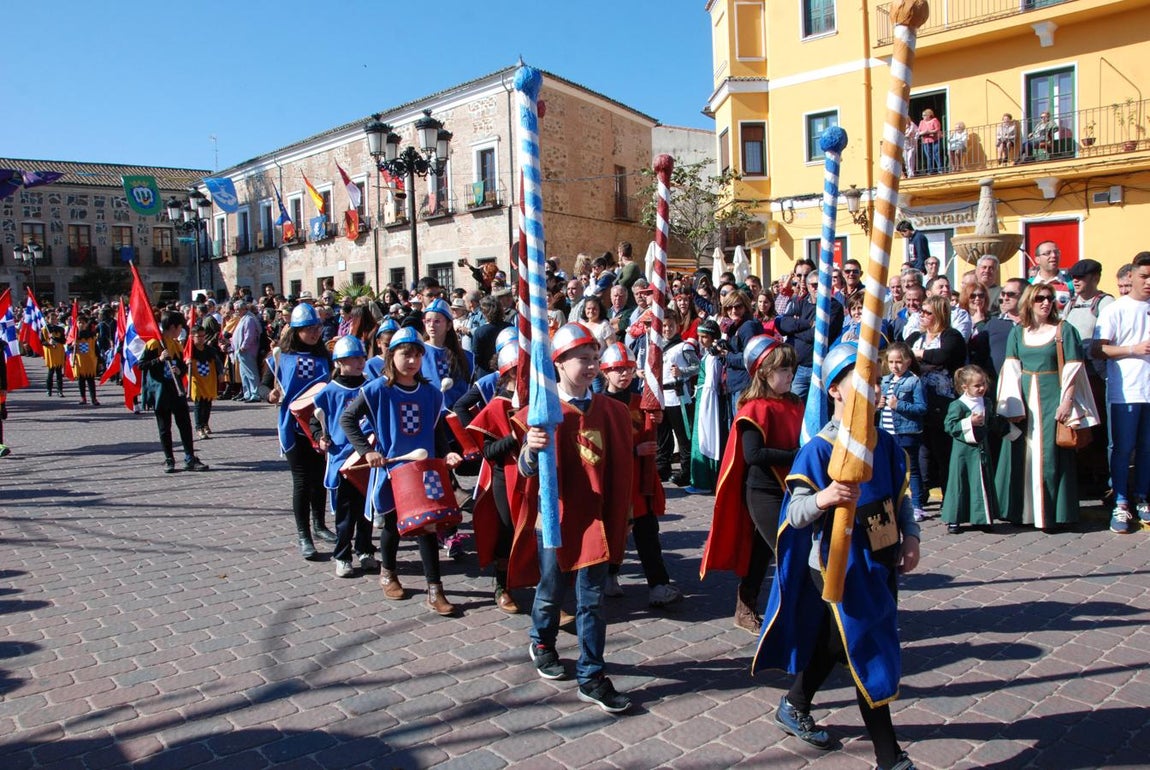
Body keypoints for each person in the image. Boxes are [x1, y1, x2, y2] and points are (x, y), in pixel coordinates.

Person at [755, 341, 921, 770]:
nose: (875, 390)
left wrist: (912, 536)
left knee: (834, 644)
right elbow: (794, 514)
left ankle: (795, 703)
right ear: (835, 391)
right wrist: (825, 498)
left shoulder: (884, 445)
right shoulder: (820, 451)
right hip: (835, 568)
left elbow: (900, 497)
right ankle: (891, 757)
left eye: (878, 382)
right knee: (867, 651)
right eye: (863, 382)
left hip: (878, 562)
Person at [515, 323, 635, 714]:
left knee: (592, 601)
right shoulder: (543, 412)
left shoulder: (613, 412)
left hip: (594, 522)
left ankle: (591, 675)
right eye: (582, 358)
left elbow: (619, 470)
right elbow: (525, 471)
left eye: (594, 358)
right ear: (559, 362)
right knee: (551, 589)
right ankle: (543, 641)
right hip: (557, 517)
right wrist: (532, 450)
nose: (591, 365)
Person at [339, 326, 463, 615]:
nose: (412, 361)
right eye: (406, 354)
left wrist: (448, 454)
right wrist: (367, 451)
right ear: (390, 355)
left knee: (428, 527)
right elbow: (348, 419)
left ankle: (435, 590)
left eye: (417, 355)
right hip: (393, 471)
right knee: (394, 526)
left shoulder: (431, 393)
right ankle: (389, 572)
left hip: (424, 472)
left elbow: (436, 430)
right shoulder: (377, 389)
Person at [702, 335, 802, 633]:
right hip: (762, 491)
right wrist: (794, 456)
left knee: (760, 553)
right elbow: (754, 454)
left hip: (790, 486)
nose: (790, 375)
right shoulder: (754, 408)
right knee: (786, 550)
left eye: (791, 369)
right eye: (783, 370)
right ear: (764, 372)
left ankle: (745, 607)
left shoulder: (794, 402)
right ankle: (791, 613)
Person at [995, 285, 1099, 531]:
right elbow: (1011, 368)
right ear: (1029, 302)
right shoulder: (1018, 333)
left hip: (1053, 397)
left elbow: (1074, 370)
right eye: (1039, 298)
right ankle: (1023, 512)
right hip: (1024, 400)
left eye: (1050, 298)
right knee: (1024, 454)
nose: (1045, 303)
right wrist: (1011, 406)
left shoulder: (1065, 331)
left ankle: (1051, 514)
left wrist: (1067, 401)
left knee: (1049, 456)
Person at [599, 342, 683, 607]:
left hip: (640, 482)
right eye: (617, 369)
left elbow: (651, 429)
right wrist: (634, 450)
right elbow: (597, 447)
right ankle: (609, 575)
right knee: (613, 531)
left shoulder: (641, 402)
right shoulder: (598, 405)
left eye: (628, 369)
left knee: (647, 533)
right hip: (613, 481)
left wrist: (655, 419)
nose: (623, 374)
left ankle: (658, 585)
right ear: (606, 372)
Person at [265, 303, 335, 559]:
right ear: (296, 330)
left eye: (317, 327)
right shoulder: (280, 357)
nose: (315, 332)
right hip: (293, 426)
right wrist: (270, 394)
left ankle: (319, 525)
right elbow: (265, 387)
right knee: (302, 482)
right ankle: (304, 534)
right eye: (308, 328)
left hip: (319, 426)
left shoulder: (324, 356)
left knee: (320, 480)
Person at [1093, 252, 1150, 534]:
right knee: (1123, 447)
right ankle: (1121, 501)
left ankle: (1142, 497)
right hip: (1126, 391)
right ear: (1132, 276)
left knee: (1147, 449)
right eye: (1144, 276)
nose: (1148, 282)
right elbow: (1097, 348)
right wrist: (1132, 349)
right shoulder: (1116, 309)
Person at [312, 336, 376, 578]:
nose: (360, 362)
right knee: (346, 514)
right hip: (343, 459)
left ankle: (365, 549)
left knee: (366, 510)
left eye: (361, 357)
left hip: (368, 458)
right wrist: (320, 436)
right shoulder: (328, 392)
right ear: (339, 362)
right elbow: (315, 420)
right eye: (353, 358)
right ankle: (342, 555)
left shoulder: (372, 387)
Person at [466, 344, 523, 613]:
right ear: (508, 373)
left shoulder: (540, 398)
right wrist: (514, 438)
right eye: (518, 370)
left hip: (535, 476)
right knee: (507, 530)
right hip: (505, 476)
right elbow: (489, 452)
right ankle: (502, 586)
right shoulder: (497, 406)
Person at [905, 296, 967, 507]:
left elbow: (943, 356)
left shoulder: (951, 336)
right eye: (921, 311)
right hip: (919, 401)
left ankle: (950, 497)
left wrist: (919, 355)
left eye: (927, 312)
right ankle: (920, 495)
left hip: (943, 401)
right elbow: (903, 356)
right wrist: (920, 357)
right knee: (922, 450)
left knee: (943, 450)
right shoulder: (916, 336)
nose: (921, 315)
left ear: (939, 314)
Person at [140, 311, 209, 475]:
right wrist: (159, 359)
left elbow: (183, 366)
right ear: (172, 327)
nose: (181, 331)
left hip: (176, 390)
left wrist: (181, 369)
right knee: (165, 427)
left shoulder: (176, 344)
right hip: (160, 392)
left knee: (185, 424)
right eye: (180, 327)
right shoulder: (153, 344)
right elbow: (141, 365)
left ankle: (190, 457)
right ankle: (169, 459)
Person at [941, 365, 1008, 534]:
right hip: (963, 452)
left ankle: (981, 518)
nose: (982, 388)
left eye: (983, 384)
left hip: (981, 449)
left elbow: (992, 421)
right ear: (965, 387)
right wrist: (969, 421)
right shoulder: (958, 405)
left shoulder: (986, 402)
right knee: (960, 482)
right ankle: (954, 519)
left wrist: (1006, 428)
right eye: (977, 386)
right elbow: (949, 426)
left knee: (981, 482)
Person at [777, 272, 844, 401]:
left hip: (820, 366)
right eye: (814, 285)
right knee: (794, 406)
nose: (818, 288)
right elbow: (783, 324)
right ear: (807, 286)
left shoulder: (834, 307)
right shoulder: (800, 302)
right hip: (799, 367)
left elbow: (820, 335)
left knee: (820, 408)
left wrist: (795, 331)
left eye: (822, 285)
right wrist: (807, 324)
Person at [879, 342, 928, 521]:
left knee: (912, 468)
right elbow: (879, 407)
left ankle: (917, 505)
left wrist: (899, 405)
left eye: (898, 362)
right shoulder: (885, 381)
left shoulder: (913, 381)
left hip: (907, 433)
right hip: (887, 432)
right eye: (891, 362)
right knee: (889, 467)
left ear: (907, 361)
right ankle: (891, 502)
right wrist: (879, 405)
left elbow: (921, 408)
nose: (894, 366)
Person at [656, 311, 699, 486]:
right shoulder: (657, 347)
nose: (667, 329)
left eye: (670, 326)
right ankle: (662, 467)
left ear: (677, 326)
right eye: (664, 326)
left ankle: (686, 470)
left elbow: (697, 366)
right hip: (662, 395)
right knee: (663, 435)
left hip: (678, 395)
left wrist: (682, 372)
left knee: (682, 435)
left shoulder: (684, 347)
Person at [688, 319, 724, 494]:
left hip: (707, 399)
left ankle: (704, 481)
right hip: (702, 396)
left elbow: (711, 384)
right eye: (700, 337)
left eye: (705, 337)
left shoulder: (713, 358)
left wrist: (705, 407)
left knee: (704, 436)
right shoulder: (708, 356)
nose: (701, 340)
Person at [188, 322, 225, 440]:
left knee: (207, 404)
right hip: (196, 380)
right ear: (192, 337)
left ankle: (205, 424)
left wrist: (220, 373)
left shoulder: (209, 350)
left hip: (209, 380)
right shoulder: (189, 351)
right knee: (199, 403)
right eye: (199, 336)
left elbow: (218, 362)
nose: (202, 338)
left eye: (203, 336)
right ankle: (199, 427)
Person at [231, 301, 262, 403]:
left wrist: (244, 346)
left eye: (238, 310)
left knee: (250, 372)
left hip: (247, 350)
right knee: (243, 374)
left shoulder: (249, 319)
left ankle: (255, 393)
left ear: (244, 309)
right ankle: (247, 393)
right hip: (240, 351)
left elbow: (250, 334)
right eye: (235, 310)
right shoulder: (242, 319)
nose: (236, 312)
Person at [1030, 241, 1074, 311]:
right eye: (1047, 253)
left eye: (1056, 252)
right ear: (1037, 260)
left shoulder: (1071, 283)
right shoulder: (1029, 285)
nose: (1053, 255)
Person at [72, 315, 100, 405]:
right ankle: (83, 398)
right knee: (81, 380)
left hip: (90, 360)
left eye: (83, 323)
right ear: (76, 324)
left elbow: (96, 348)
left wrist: (99, 360)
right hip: (80, 361)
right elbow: (68, 348)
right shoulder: (74, 335)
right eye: (79, 322)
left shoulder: (91, 335)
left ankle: (94, 398)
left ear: (86, 324)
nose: (81, 324)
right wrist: (72, 346)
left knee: (91, 380)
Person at [41, 310, 66, 397]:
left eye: (54, 319)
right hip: (50, 352)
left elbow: (63, 341)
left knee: (59, 372)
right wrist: (49, 343)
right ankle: (49, 389)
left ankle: (60, 390)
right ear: (48, 319)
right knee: (50, 372)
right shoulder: (44, 329)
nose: (53, 320)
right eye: (51, 319)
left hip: (58, 351)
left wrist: (55, 339)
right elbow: (42, 341)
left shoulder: (60, 329)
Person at [918, 108, 942, 174]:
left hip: (935, 140)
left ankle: (940, 169)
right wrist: (924, 132)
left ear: (929, 115)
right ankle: (930, 170)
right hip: (926, 141)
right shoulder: (921, 122)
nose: (923, 116)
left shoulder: (934, 120)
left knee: (936, 154)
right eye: (922, 115)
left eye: (924, 115)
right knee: (928, 156)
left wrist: (929, 131)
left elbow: (937, 129)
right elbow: (919, 131)